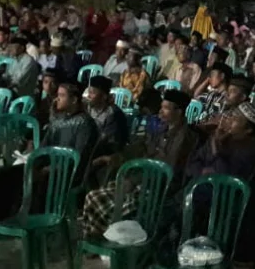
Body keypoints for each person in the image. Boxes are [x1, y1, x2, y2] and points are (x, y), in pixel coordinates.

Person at [78, 90, 199, 239]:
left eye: (166, 108)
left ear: (179, 112)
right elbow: (144, 149)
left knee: (104, 203)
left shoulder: (185, 138)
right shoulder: (162, 130)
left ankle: (109, 238)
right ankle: (96, 238)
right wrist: (120, 157)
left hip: (158, 190)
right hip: (143, 181)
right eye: (161, 107)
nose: (160, 111)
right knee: (92, 196)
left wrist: (134, 180)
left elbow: (167, 170)